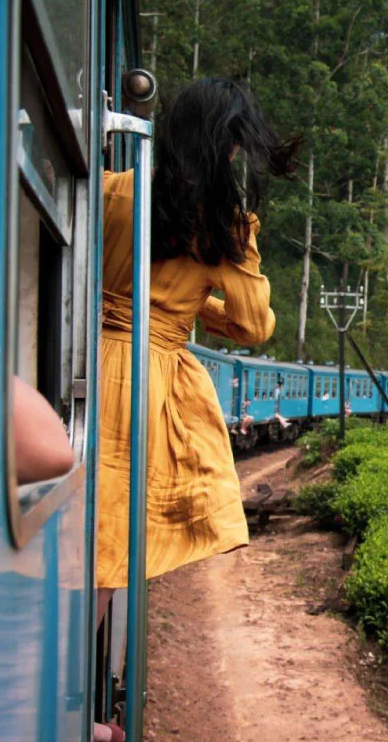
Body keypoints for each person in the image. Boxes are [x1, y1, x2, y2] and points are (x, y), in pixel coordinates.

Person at [96, 78, 298, 625]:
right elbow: (254, 326)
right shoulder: (224, 227)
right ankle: (64, 705)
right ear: (226, 147)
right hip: (141, 378)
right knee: (106, 552)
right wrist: (195, 306)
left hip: (84, 356)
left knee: (70, 534)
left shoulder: (112, 190)